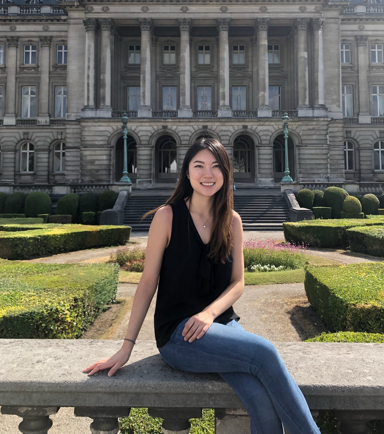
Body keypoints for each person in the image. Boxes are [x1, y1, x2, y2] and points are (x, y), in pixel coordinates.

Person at [84, 137, 320, 434]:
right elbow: (147, 283)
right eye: (199, 166)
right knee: (265, 352)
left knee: (259, 399)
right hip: (179, 335)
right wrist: (126, 347)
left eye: (216, 167)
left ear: (225, 173)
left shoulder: (232, 221)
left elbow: (237, 283)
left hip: (221, 325)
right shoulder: (166, 217)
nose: (207, 174)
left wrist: (209, 314)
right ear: (186, 172)